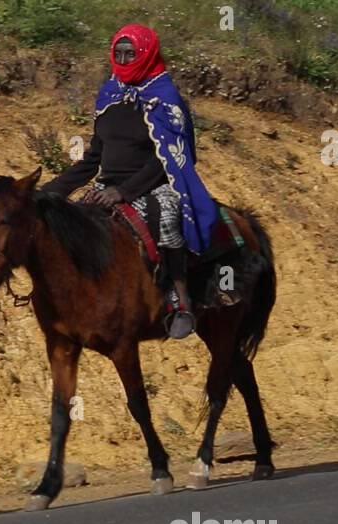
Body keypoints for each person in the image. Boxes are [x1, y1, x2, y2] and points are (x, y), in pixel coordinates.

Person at [42, 24, 218, 340]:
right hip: (105, 187)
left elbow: (168, 157)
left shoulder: (165, 98)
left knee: (165, 218)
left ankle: (180, 300)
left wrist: (123, 192)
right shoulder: (110, 95)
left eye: (131, 53)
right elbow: (93, 157)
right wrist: (48, 192)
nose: (123, 59)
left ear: (147, 54)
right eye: (118, 53)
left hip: (154, 184)